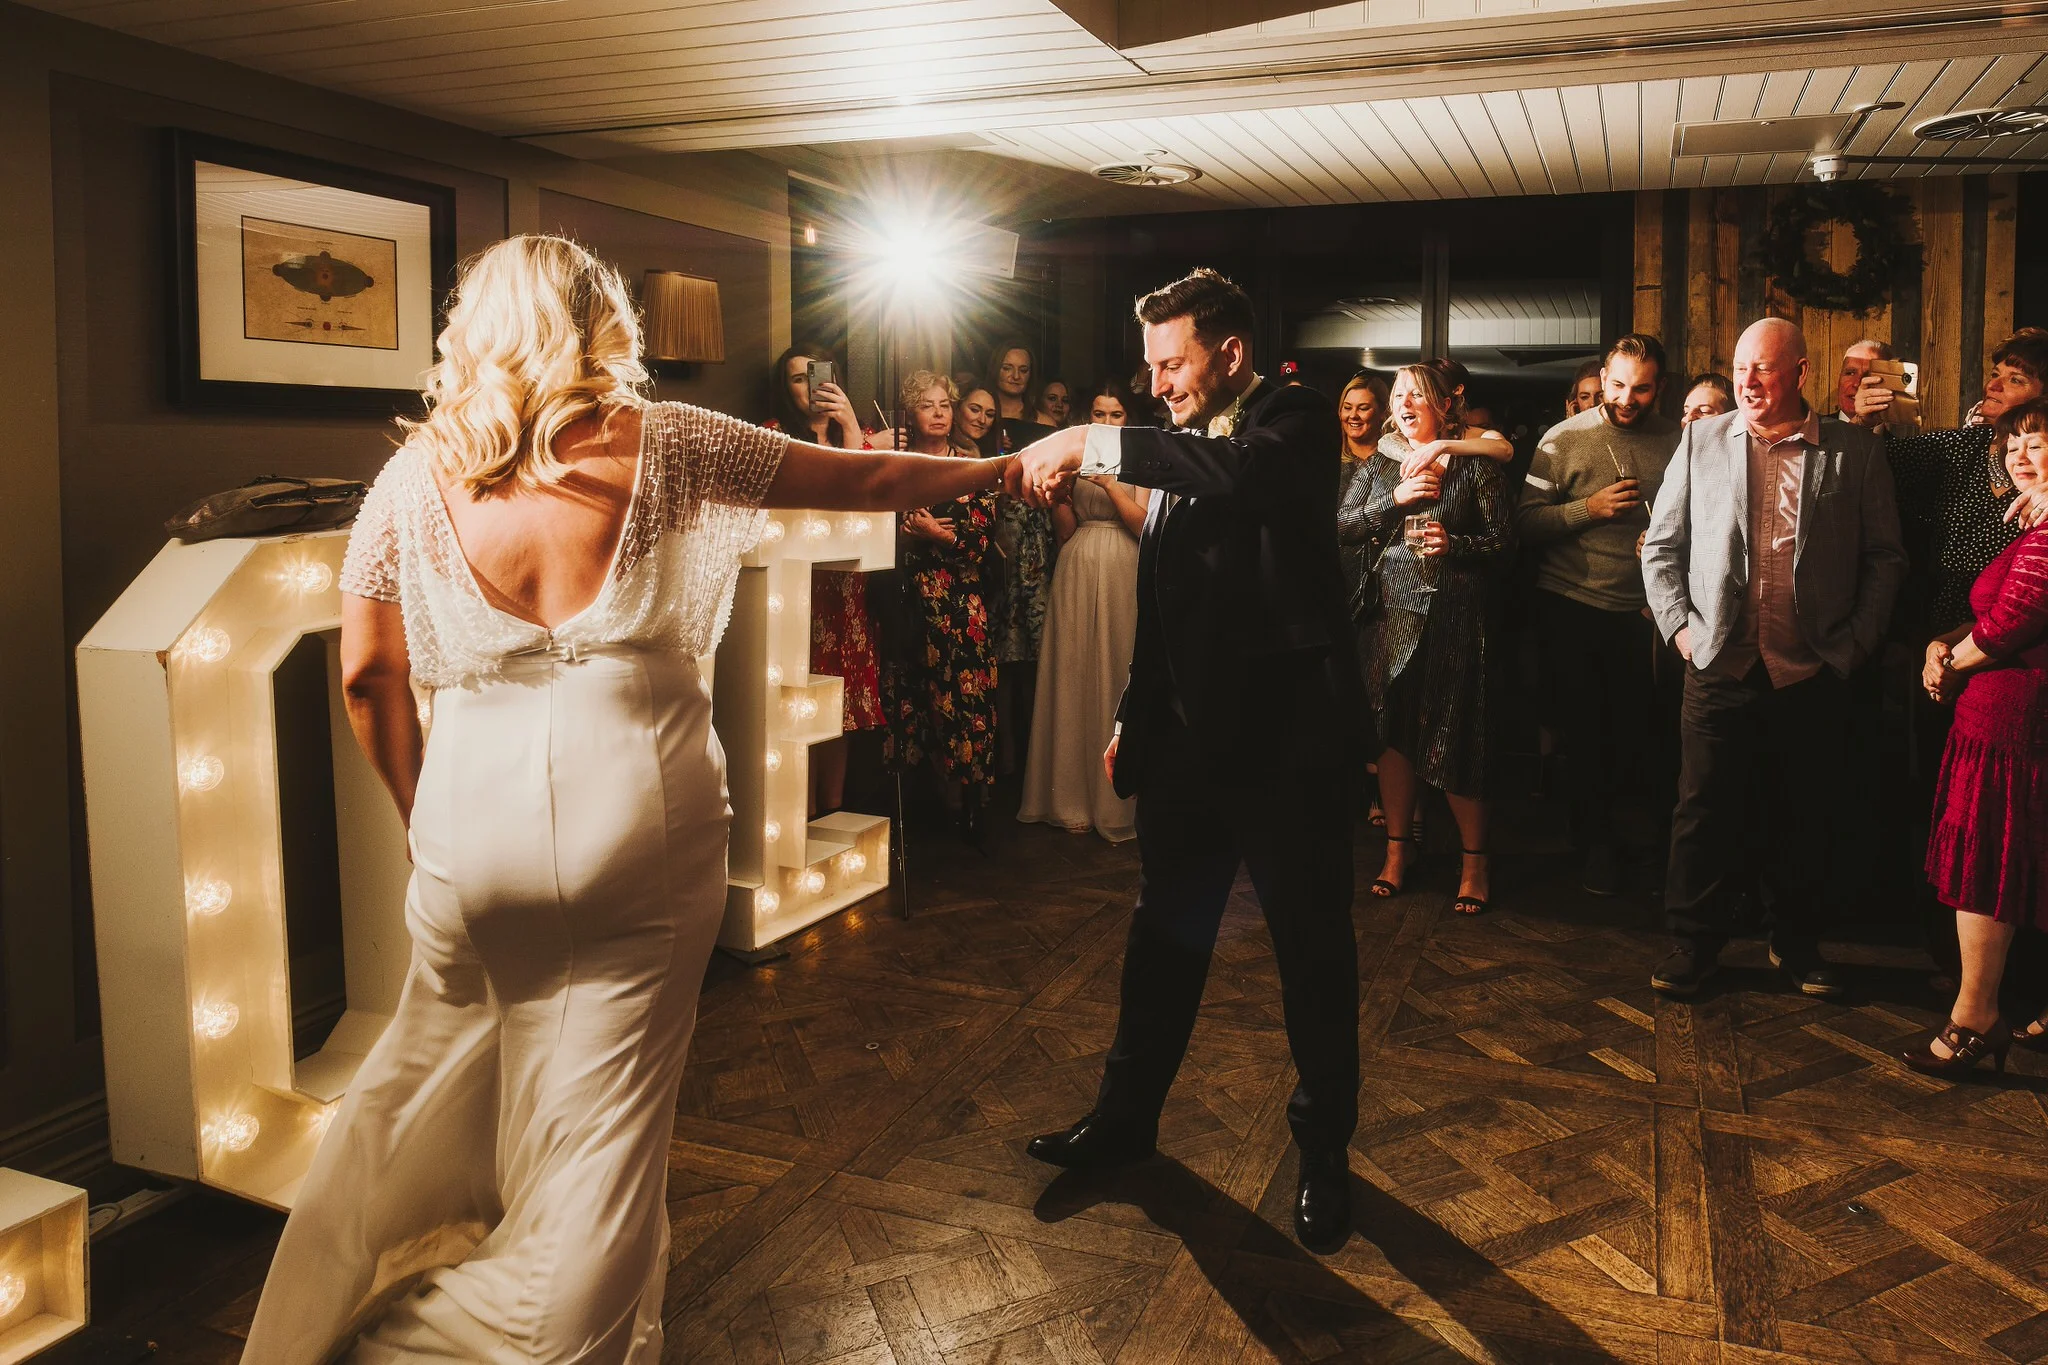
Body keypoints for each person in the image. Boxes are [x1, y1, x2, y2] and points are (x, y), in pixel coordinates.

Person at [242, 236, 1012, 1362]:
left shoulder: (410, 480)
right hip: (635, 814)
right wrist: (1011, 465)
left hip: (465, 822)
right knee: (603, 1132)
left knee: (417, 1095)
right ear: (601, 323)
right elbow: (871, 480)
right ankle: (468, 1342)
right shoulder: (668, 442)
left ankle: (327, 1317)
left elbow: (367, 675)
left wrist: (420, 818)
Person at [1008, 268, 1362, 1254]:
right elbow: (1165, 599)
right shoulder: (1185, 442)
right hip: (1183, 749)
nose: (1157, 382)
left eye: (1172, 363)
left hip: (1286, 751)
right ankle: (1124, 1122)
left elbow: (1236, 476)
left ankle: (1324, 1153)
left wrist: (1088, 441)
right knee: (1161, 944)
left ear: (1230, 353)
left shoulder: (1292, 420)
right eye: (1152, 366)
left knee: (1312, 957)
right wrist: (1134, 712)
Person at [1642, 317, 1908, 998]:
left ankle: (1795, 943)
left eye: (1763, 367)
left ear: (1800, 372)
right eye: (1741, 368)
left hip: (1811, 666)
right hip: (1718, 662)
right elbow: (1661, 547)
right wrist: (1682, 631)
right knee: (1702, 810)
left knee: (1807, 811)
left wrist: (1854, 645)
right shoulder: (1702, 440)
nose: (1749, 381)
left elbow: (1885, 557)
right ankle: (1693, 945)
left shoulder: (1853, 451)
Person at [1901, 400, 2048, 1074]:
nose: (2020, 456)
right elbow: (1991, 615)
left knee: (1989, 871)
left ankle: (1975, 1019)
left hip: (2016, 730)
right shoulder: (2028, 523)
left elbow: (2013, 621)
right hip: (1997, 724)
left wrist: (1947, 667)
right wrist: (1942, 643)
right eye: (2012, 445)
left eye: (2036, 443)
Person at [1344, 364, 1514, 917]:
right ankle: (1398, 853)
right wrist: (1395, 500)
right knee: (1391, 737)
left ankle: (1474, 864)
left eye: (1417, 394)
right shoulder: (1381, 464)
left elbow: (1505, 544)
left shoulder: (1474, 465)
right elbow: (1344, 525)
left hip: (1455, 619)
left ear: (1444, 406)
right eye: (1398, 394)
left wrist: (1455, 543)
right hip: (1389, 620)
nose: (1405, 402)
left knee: (1457, 737)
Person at [1517, 334, 1681, 895]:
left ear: (1660, 387)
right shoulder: (1563, 439)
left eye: (1642, 389)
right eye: (1617, 385)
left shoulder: (1677, 440)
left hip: (1645, 611)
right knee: (1584, 734)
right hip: (1572, 601)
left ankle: (1636, 844)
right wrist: (1590, 509)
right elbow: (1525, 522)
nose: (1626, 398)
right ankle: (1594, 847)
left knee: (1639, 734)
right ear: (1603, 378)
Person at [1019, 380, 1150, 842]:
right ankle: (1069, 799)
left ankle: (1115, 801)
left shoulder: (1143, 457)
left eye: (1116, 414)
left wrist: (1111, 485)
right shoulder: (1075, 457)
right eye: (1099, 413)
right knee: (1074, 671)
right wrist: (1059, 496)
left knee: (1116, 669)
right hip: (1077, 562)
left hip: (1123, 564)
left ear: (1127, 418)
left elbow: (1143, 527)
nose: (1107, 421)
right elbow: (1066, 530)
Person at [877, 371, 1002, 843]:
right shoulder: (897, 466)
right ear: (911, 414)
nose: (938, 413)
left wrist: (937, 534)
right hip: (908, 603)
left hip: (961, 607)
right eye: (927, 405)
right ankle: (917, 812)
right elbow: (875, 530)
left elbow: (981, 542)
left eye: (944, 405)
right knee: (911, 702)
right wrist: (907, 536)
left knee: (966, 704)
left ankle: (971, 808)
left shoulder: (972, 469)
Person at [1855, 328, 2048, 633]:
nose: (1993, 385)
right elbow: (1875, 465)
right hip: (1932, 628)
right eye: (1995, 374)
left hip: (2013, 638)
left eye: (2015, 380)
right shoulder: (1963, 445)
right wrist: (1865, 423)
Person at [769, 344, 883, 811]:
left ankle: (833, 806)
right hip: (799, 585)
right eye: (799, 379)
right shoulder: (776, 435)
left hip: (849, 586)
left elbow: (868, 492)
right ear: (787, 389)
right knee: (804, 698)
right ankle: (804, 810)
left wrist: (851, 425)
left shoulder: (856, 435)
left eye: (817, 376)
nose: (811, 387)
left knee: (843, 699)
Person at [988, 343, 1058, 775]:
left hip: (1035, 535)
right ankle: (1004, 754)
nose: (1015, 375)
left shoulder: (1044, 421)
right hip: (996, 533)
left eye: (1024, 369)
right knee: (1000, 650)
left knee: (1034, 650)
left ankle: (1034, 758)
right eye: (1008, 367)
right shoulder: (983, 412)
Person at [1833, 338, 1894, 429]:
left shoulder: (1905, 436)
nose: (1857, 384)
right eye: (1850, 373)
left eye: (1869, 375)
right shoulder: (1816, 429)